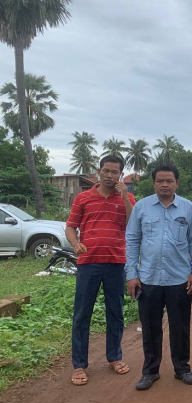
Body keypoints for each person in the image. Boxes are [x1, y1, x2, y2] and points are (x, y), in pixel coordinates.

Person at [126, 165, 192, 391]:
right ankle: (150, 371)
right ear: (154, 183)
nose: (165, 185)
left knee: (180, 327)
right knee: (150, 327)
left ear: (177, 183)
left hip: (179, 278)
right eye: (160, 181)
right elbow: (132, 240)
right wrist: (132, 274)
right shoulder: (141, 207)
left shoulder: (188, 208)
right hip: (148, 278)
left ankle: (182, 368)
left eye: (169, 181)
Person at [65, 155, 135, 386]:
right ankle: (79, 365)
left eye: (115, 172)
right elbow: (70, 226)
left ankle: (114, 358)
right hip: (89, 263)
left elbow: (133, 224)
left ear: (120, 174)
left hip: (116, 262)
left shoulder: (127, 198)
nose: (109, 175)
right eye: (106, 170)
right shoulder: (83, 198)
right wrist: (75, 243)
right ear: (99, 171)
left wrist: (125, 198)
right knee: (82, 314)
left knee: (115, 312)